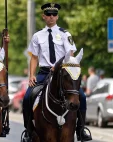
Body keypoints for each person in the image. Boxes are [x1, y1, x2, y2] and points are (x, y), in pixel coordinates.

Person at [22, 3, 91, 142]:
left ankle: (81, 129)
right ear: (43, 17)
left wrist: (59, 66)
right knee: (27, 97)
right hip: (44, 72)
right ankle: (29, 130)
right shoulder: (37, 36)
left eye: (54, 14)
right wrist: (31, 75)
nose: (51, 17)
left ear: (57, 16)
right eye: (48, 14)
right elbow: (34, 57)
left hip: (63, 72)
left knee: (81, 96)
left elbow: (70, 53)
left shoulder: (65, 34)